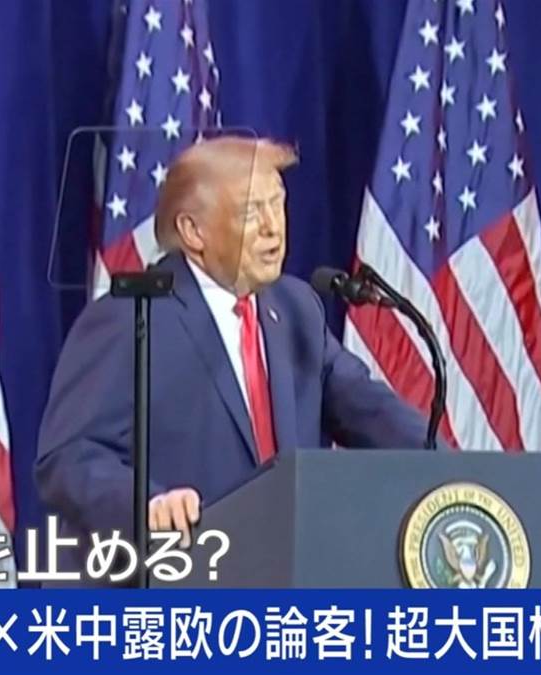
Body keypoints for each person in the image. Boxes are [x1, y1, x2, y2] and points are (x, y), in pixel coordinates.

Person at [35, 135, 435, 565]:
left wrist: (456, 470)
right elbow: (69, 458)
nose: (273, 227)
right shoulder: (131, 317)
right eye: (250, 212)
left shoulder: (295, 307)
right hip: (180, 578)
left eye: (277, 203)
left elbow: (369, 410)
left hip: (281, 576)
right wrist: (149, 507)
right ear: (193, 231)